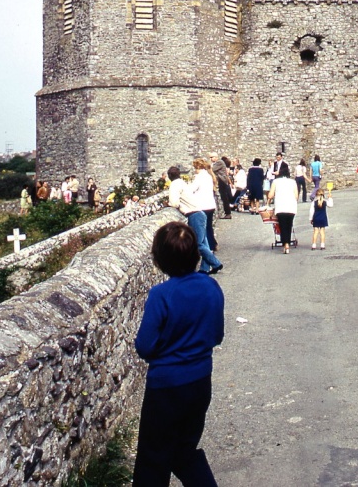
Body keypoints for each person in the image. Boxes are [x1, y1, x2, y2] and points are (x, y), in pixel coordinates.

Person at [133, 221, 223, 486]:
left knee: (153, 456)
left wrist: (166, 350)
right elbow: (216, 335)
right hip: (199, 382)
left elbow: (144, 346)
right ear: (196, 254)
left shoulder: (161, 295)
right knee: (183, 451)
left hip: (166, 388)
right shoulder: (211, 287)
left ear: (160, 259)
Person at [168, 165, 224, 275]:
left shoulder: (174, 184)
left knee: (198, 244)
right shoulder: (182, 182)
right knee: (204, 242)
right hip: (200, 212)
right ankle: (204, 268)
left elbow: (174, 203)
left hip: (194, 214)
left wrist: (169, 204)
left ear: (170, 176)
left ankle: (216, 264)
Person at [267, 163, 298, 254]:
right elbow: (296, 196)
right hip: (291, 206)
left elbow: (270, 195)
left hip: (280, 206)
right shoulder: (293, 182)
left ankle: (285, 244)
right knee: (289, 225)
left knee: (282, 225)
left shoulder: (276, 182)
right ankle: (287, 243)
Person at [210, 154, 233, 220]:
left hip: (222, 181)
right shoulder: (218, 163)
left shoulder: (219, 162)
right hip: (222, 181)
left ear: (216, 157)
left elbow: (212, 170)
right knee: (223, 197)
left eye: (212, 157)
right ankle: (227, 212)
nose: (211, 159)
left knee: (224, 197)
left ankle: (227, 213)